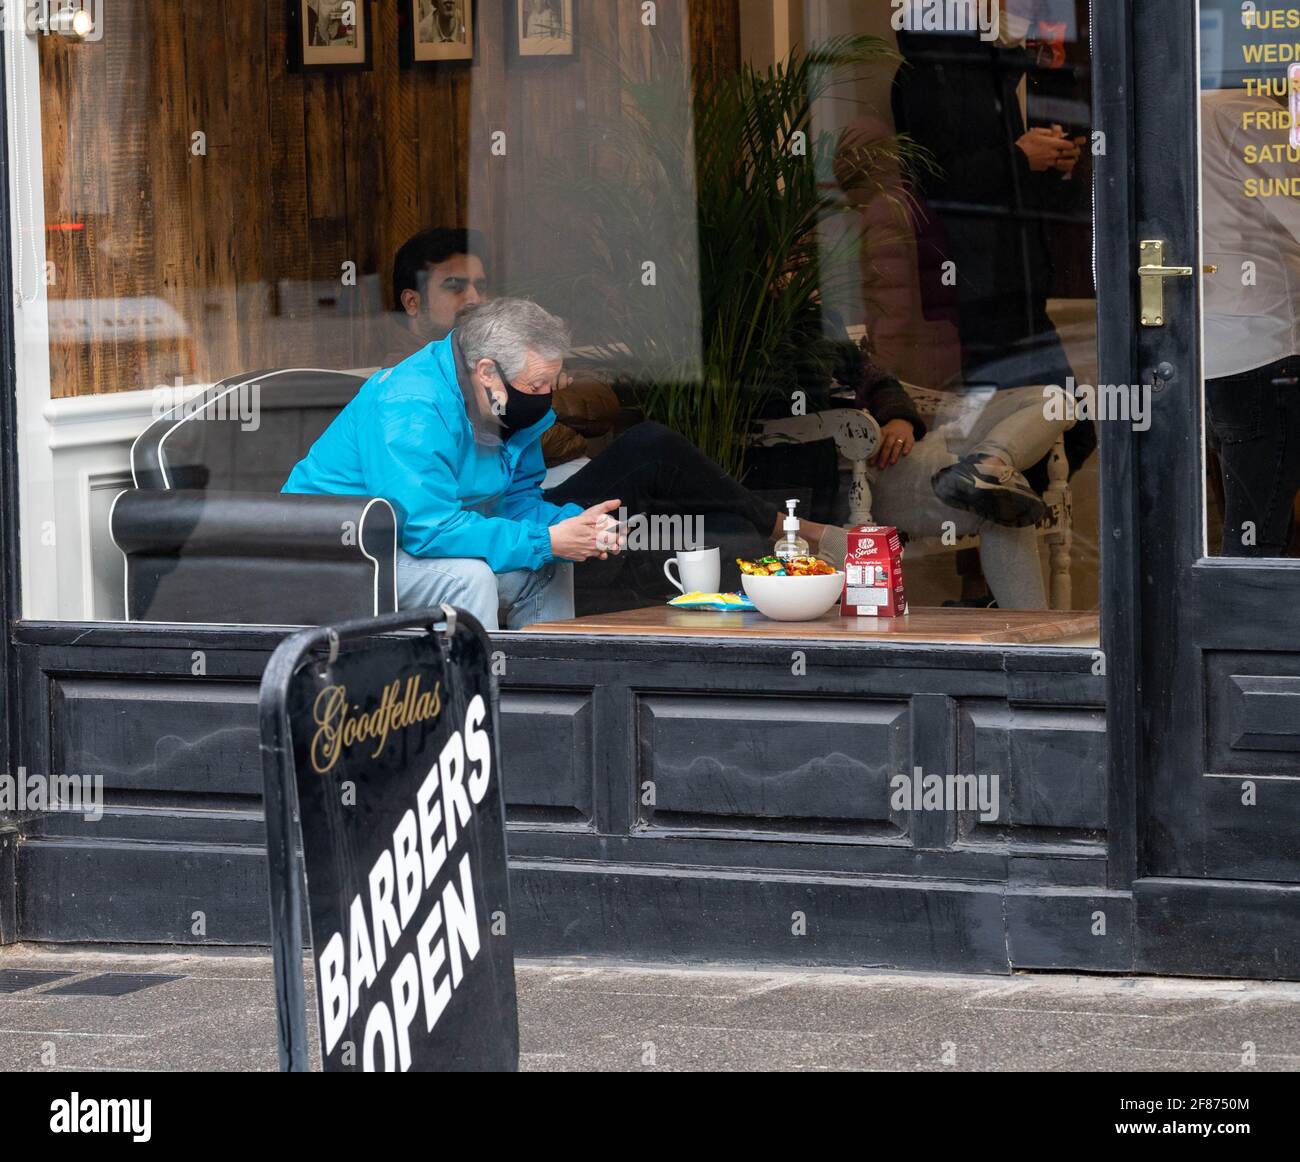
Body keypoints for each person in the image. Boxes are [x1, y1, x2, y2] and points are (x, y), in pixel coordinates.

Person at [285, 298, 847, 627]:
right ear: (486, 372)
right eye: (537, 384)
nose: (547, 397)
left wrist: (571, 528)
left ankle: (548, 696)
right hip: (348, 556)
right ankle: (473, 720)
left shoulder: (511, 408)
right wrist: (545, 540)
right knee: (472, 574)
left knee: (549, 561)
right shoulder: (410, 408)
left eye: (553, 382)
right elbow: (428, 530)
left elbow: (520, 501)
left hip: (412, 543)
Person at [1200, 87, 1300, 557]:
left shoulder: (1184, 108)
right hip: (1266, 346)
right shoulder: (1245, 114)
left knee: (1246, 524)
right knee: (1258, 539)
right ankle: (1242, 630)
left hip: (1215, 348)